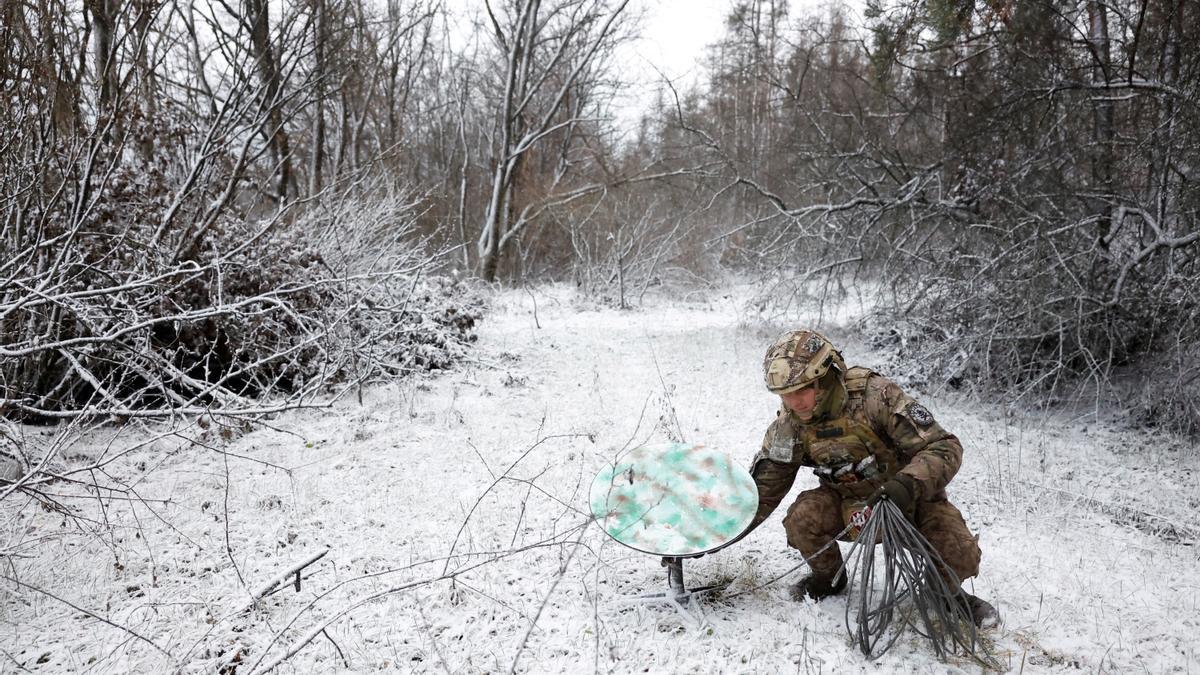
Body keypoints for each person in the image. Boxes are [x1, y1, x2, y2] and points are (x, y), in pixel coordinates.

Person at [747, 329, 999, 628]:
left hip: (909, 501)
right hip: (849, 506)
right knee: (802, 518)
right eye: (785, 395)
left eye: (802, 390)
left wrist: (905, 486)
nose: (794, 402)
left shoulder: (875, 397)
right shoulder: (789, 425)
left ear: (825, 378)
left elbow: (944, 446)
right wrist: (710, 535)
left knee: (959, 552)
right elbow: (763, 491)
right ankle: (828, 580)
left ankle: (946, 594)